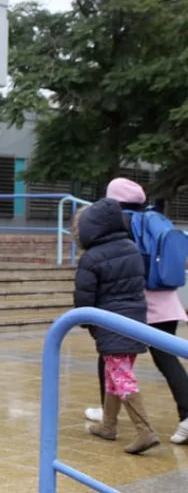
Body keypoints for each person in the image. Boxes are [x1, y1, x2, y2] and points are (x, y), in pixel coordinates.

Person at [84, 178, 188, 444]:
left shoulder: (124, 224)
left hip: (139, 305)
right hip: (167, 301)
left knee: (110, 355)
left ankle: (110, 416)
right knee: (167, 358)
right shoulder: (154, 218)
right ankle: (186, 415)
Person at [73, 199, 159, 455]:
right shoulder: (131, 247)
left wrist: (85, 322)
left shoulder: (91, 258)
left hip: (110, 324)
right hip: (135, 321)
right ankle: (108, 425)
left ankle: (145, 431)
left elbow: (84, 297)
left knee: (121, 377)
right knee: (115, 374)